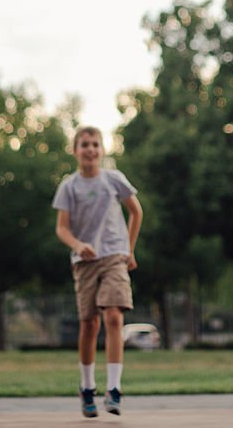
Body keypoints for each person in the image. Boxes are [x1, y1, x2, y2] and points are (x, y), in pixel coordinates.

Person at [53, 126, 144, 418]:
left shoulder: (113, 180)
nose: (90, 149)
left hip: (114, 255)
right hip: (84, 261)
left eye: (95, 144)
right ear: (75, 150)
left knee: (115, 316)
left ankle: (114, 389)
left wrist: (129, 250)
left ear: (102, 150)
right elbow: (62, 228)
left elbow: (136, 212)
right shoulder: (69, 186)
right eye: (84, 144)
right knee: (90, 324)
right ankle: (87, 387)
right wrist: (79, 245)